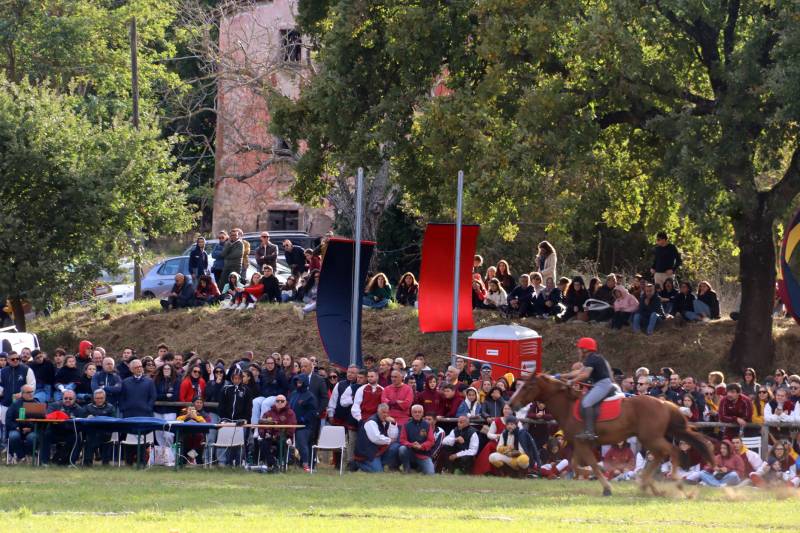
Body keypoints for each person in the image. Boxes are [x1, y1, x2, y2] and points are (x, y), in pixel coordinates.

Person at [560, 337, 614, 440]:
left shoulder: (592, 359)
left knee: (586, 402)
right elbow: (578, 372)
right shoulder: (591, 358)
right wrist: (562, 375)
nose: (578, 351)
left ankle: (590, 432)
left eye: (580, 349)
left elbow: (585, 375)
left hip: (603, 384)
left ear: (585, 349)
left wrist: (571, 381)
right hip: (599, 384)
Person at [41, 389, 85, 465]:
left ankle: (72, 462)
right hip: (54, 430)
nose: (68, 400)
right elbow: (47, 417)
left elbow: (80, 425)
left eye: (70, 399)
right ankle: (44, 462)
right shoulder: (54, 405)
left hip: (69, 432)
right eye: (66, 398)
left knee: (77, 438)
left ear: (75, 399)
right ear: (62, 398)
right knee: (45, 435)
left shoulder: (79, 409)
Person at [353, 403, 399, 473]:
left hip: (378, 449)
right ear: (378, 412)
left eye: (387, 413)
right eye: (383, 412)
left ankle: (381, 464)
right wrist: (389, 440)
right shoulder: (371, 422)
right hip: (367, 452)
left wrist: (393, 423)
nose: (385, 415)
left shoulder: (386, 421)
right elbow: (376, 438)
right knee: (378, 472)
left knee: (395, 447)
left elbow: (393, 436)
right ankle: (358, 464)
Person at [257, 394, 296, 469]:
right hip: (270, 436)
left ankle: (278, 464)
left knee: (281, 442)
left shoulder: (290, 413)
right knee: (263, 443)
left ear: (285, 402)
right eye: (278, 401)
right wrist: (263, 433)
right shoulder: (268, 413)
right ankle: (273, 463)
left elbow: (292, 427)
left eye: (282, 401)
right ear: (275, 402)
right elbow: (261, 425)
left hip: (284, 437)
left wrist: (283, 434)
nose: (280, 402)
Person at [289, 376, 318, 472]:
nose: (298, 383)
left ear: (305, 382)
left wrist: (303, 419)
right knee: (292, 445)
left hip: (305, 426)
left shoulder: (310, 396)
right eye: (297, 381)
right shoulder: (293, 394)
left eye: (300, 381)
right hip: (292, 424)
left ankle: (306, 465)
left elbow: (313, 411)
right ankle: (293, 463)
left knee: (303, 445)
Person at [398, 404, 435, 474]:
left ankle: (418, 469)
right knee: (402, 449)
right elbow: (402, 440)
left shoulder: (427, 425)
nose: (417, 414)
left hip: (423, 455)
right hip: (410, 452)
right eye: (415, 412)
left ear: (422, 414)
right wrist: (411, 445)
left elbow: (431, 441)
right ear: (411, 413)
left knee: (430, 473)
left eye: (419, 412)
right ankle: (407, 469)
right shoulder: (406, 425)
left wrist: (421, 446)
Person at [5, 385, 38, 463]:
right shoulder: (15, 404)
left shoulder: (37, 404)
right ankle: (21, 455)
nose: (31, 394)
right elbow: (8, 420)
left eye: (32, 392)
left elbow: (41, 421)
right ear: (22, 394)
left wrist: (31, 428)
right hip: (16, 429)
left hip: (31, 430)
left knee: (32, 438)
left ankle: (28, 455)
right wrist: (17, 427)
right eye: (28, 392)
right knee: (14, 436)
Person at [83, 389, 116, 466]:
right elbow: (82, 419)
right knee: (90, 437)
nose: (99, 400)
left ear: (105, 398)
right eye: (97, 398)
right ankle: (87, 463)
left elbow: (115, 421)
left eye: (101, 398)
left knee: (103, 437)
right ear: (94, 398)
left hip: (106, 432)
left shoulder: (110, 407)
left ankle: (105, 463)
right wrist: (87, 417)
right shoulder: (88, 407)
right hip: (91, 432)